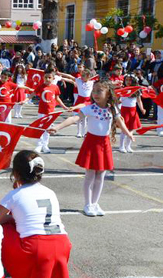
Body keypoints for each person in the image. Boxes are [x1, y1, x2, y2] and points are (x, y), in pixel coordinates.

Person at [49, 81, 134, 216]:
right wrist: (57, 127)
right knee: (90, 175)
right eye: (94, 91)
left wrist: (128, 133)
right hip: (91, 143)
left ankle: (95, 203)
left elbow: (119, 121)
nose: (95, 94)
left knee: (101, 174)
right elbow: (74, 118)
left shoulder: (113, 108)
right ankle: (88, 204)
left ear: (108, 94)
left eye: (99, 91)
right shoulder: (89, 108)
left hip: (104, 144)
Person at [0, 151, 72, 278]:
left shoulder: (15, 195)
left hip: (36, 248)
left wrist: (10, 218)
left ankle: (3, 271)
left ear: (16, 173)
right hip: (63, 244)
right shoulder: (50, 192)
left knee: (1, 228)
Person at [32, 69, 68, 154]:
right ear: (43, 78)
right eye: (46, 77)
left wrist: (64, 107)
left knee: (48, 129)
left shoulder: (55, 87)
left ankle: (45, 145)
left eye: (49, 77)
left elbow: (57, 98)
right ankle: (39, 145)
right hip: (42, 111)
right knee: (40, 128)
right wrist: (25, 100)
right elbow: (32, 94)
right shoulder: (41, 86)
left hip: (51, 112)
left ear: (53, 78)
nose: (47, 79)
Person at [118, 75, 145, 153]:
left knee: (131, 129)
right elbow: (119, 100)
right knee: (124, 129)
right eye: (126, 80)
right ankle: (121, 146)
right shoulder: (123, 89)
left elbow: (139, 101)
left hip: (133, 111)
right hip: (124, 111)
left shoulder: (136, 90)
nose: (128, 82)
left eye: (130, 80)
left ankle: (128, 146)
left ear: (134, 81)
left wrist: (142, 109)